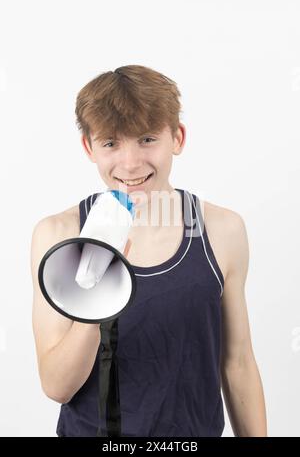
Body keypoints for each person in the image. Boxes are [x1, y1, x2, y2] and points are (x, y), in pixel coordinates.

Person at [30, 65, 267, 437]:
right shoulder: (58, 234)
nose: (130, 163)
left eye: (146, 139)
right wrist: (96, 285)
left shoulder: (222, 230)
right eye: (111, 143)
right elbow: (57, 385)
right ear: (89, 147)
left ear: (177, 137)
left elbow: (237, 364)